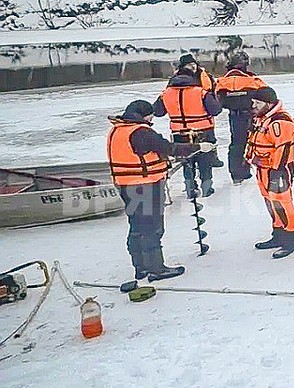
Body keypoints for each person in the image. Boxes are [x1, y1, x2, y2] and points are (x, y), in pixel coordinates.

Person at [106, 99, 215, 281]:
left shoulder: (117, 130)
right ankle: (156, 269)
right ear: (144, 115)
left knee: (137, 226)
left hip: (125, 184)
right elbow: (169, 148)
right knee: (152, 228)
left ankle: (140, 267)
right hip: (145, 185)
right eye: (150, 117)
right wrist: (199, 147)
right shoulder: (141, 132)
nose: (151, 120)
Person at [154, 61, 222, 199]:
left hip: (179, 133)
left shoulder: (166, 94)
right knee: (205, 161)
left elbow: (158, 112)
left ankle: (190, 188)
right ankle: (206, 188)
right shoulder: (201, 92)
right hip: (203, 130)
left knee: (186, 161)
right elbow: (216, 110)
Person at [246, 87, 294, 259]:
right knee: (269, 201)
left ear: (269, 104)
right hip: (262, 169)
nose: (253, 105)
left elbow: (283, 148)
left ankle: (290, 240)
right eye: (253, 102)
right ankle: (278, 234)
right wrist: (249, 158)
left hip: (278, 170)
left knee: (282, 203)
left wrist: (277, 171)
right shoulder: (261, 119)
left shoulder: (280, 121)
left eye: (257, 102)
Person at [214, 51, 266, 184]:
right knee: (253, 143)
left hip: (234, 116)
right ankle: (250, 169)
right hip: (250, 114)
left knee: (236, 144)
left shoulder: (221, 81)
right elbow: (268, 95)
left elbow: (217, 100)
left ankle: (236, 175)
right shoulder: (252, 80)